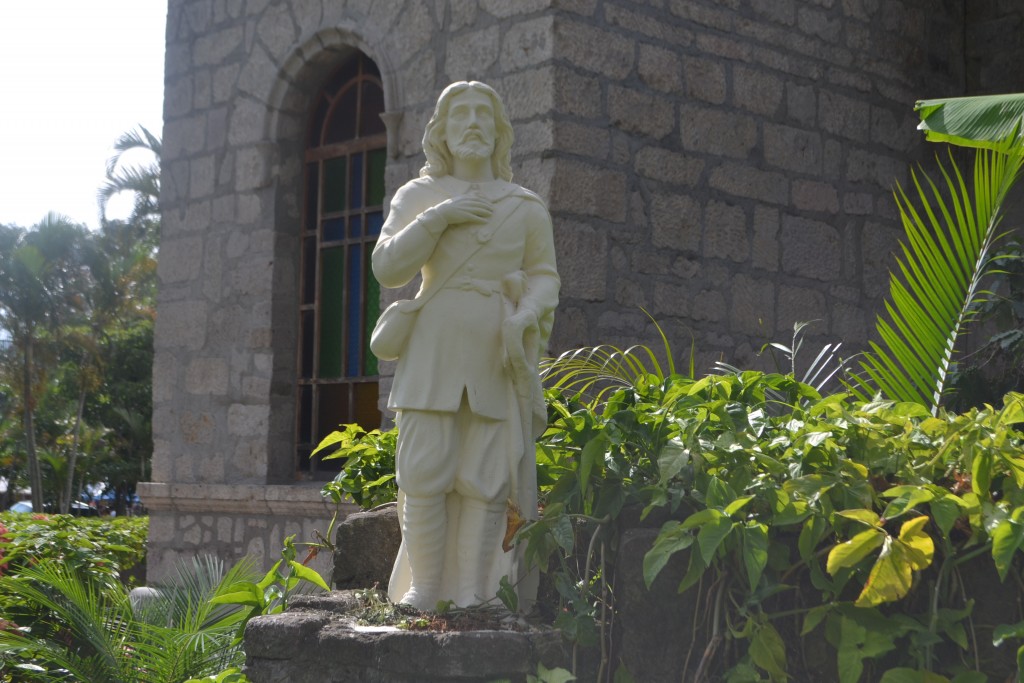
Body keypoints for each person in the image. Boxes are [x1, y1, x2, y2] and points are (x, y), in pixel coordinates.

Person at [371, 81, 559, 611]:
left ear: (499, 131)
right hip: (433, 350)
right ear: (443, 133)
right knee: (425, 474)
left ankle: (476, 590)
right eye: (460, 115)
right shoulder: (418, 196)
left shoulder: (524, 208)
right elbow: (388, 267)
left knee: (486, 478)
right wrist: (440, 218)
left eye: (483, 114)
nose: (473, 123)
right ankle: (426, 587)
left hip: (496, 352)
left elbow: (545, 276)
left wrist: (527, 313)